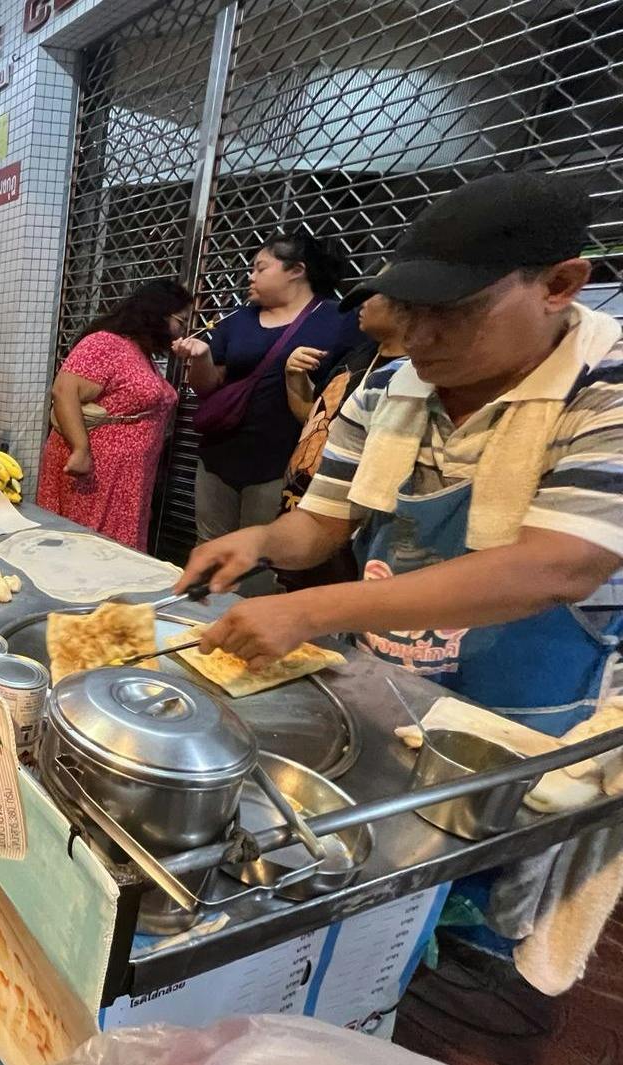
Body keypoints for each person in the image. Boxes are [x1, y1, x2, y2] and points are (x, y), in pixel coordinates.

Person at [180, 171, 623, 988]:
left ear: (560, 285)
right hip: (394, 689)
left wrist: (309, 611)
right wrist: (261, 540)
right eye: (408, 308)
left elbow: (562, 563)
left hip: (527, 703)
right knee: (376, 887)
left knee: (482, 907)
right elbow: (322, 524)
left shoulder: (608, 387)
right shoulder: (391, 386)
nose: (418, 335)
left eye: (452, 309)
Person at [172, 232, 365, 550]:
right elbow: (207, 387)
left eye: (260, 268)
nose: (251, 276)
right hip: (219, 455)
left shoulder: (339, 320)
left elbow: (346, 393)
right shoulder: (238, 320)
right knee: (209, 544)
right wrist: (202, 357)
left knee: (261, 553)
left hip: (282, 462)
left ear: (296, 270)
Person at [37, 279, 190, 549]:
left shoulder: (141, 354)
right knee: (84, 550)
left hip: (126, 479)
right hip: (96, 475)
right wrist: (81, 449)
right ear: (159, 314)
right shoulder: (106, 344)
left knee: (112, 553)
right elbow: (64, 390)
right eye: (181, 321)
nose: (183, 331)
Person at [276, 285, 407, 589]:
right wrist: (293, 376)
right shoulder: (359, 355)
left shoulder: (410, 376)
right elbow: (315, 419)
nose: (362, 304)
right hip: (305, 506)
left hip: (347, 529)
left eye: (375, 293)